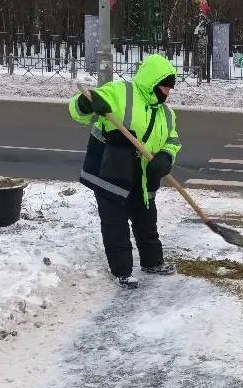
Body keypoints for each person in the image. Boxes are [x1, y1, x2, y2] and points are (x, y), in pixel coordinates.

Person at [68, 55, 182, 289]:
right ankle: (122, 271)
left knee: (146, 220)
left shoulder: (167, 113)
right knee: (115, 222)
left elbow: (172, 140)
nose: (167, 93)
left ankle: (152, 262)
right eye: (164, 87)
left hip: (143, 177)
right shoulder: (121, 92)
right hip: (112, 171)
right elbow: (78, 110)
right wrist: (86, 103)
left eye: (170, 88)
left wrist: (166, 157)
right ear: (152, 82)